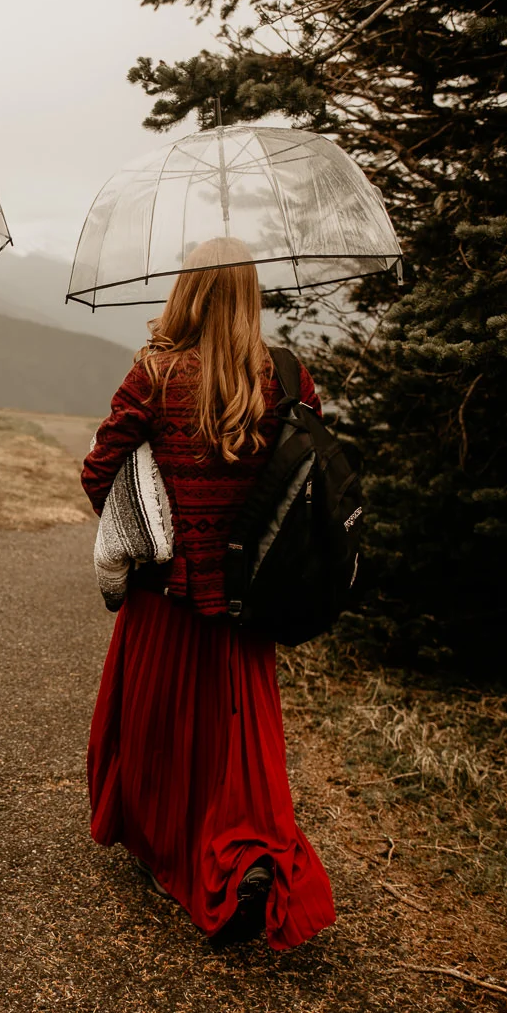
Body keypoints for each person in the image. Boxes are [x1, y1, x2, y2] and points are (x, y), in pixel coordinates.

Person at [79, 236, 336, 950]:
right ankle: (247, 856)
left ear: (186, 291)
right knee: (242, 751)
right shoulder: (286, 375)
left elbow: (98, 474)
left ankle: (175, 857)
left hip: (166, 598)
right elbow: (307, 472)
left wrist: (155, 501)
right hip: (250, 602)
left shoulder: (155, 375)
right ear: (251, 294)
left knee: (159, 741)